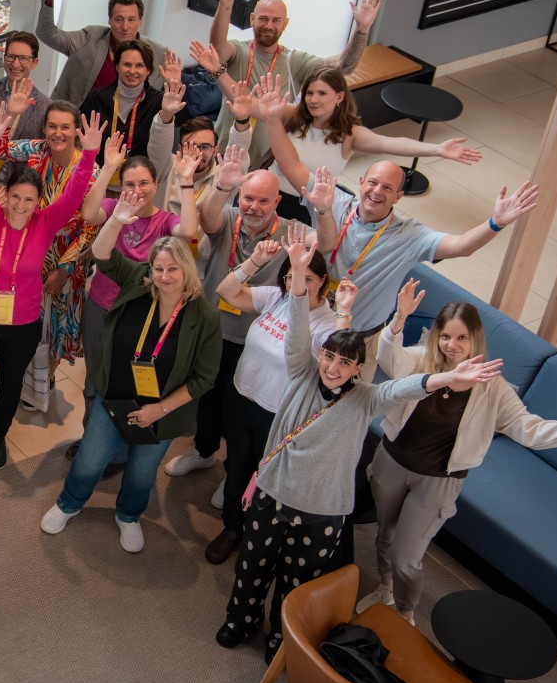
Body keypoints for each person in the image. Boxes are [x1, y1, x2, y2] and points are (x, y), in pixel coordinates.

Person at [215, 235, 503, 653]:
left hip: (323, 511)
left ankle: (280, 636)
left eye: (344, 362)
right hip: (273, 496)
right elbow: (298, 329)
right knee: (253, 567)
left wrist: (446, 379)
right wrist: (297, 276)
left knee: (299, 582)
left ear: (357, 370)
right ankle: (238, 621)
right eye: (329, 357)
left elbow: (406, 388)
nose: (332, 367)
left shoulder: (366, 398)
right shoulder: (301, 372)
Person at [364, 280, 557, 622]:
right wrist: (399, 319)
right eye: (445, 336)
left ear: (476, 339)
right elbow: (390, 360)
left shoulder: (494, 390)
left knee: (406, 556)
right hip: (392, 461)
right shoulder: (419, 360)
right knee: (385, 534)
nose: (452, 345)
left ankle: (405, 612)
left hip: (439, 482)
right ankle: (384, 587)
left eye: (461, 337)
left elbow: (528, 428)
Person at [39, 211, 221, 553]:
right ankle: (69, 503)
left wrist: (158, 410)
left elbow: (204, 378)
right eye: (158, 268)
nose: (165, 276)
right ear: (149, 269)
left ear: (187, 269)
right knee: (90, 460)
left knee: (141, 472)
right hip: (115, 398)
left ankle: (128, 515)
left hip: (162, 412)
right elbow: (104, 255)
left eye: (173, 269)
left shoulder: (204, 316)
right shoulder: (139, 283)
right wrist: (117, 220)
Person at [0, 104, 98, 468]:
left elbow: (74, 194)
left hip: (21, 322)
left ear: (39, 204)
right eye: (15, 196)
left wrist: (91, 154)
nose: (20, 205)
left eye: (29, 199)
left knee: (9, 385)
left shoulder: (46, 224)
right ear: (5, 197)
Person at [203, 234, 340, 565]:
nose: (298, 284)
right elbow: (226, 291)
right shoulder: (275, 297)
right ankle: (233, 529)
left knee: (264, 477)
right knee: (236, 465)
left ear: (323, 282)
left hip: (278, 413)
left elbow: (326, 373)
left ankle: (256, 534)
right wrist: (257, 262)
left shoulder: (327, 324)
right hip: (241, 396)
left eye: (307, 278)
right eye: (292, 276)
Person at [163, 159, 292, 493]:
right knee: (207, 397)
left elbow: (328, 243)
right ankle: (204, 451)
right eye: (248, 197)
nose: (254, 206)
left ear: (277, 202)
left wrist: (322, 211)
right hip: (212, 330)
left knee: (238, 411)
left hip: (255, 342)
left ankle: (233, 473)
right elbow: (205, 216)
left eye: (264, 200)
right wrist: (223, 186)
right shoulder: (230, 219)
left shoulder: (292, 233)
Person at [305, 158, 538, 332]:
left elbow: (461, 246)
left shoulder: (410, 236)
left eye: (387, 188)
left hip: (358, 335)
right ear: (361, 182)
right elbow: (291, 169)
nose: (377, 191)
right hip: (312, 315)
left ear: (398, 196)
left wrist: (495, 223)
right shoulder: (336, 202)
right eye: (373, 183)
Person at [78, 125, 202, 424]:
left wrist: (186, 181)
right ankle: (89, 435)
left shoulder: (164, 221)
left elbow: (188, 231)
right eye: (129, 184)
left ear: (156, 183)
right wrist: (108, 168)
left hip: (140, 313)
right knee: (95, 375)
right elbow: (88, 214)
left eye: (144, 183)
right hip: (101, 306)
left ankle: (121, 439)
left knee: (126, 378)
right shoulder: (113, 208)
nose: (136, 191)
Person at [227, 67, 483, 210]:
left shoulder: (350, 135)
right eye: (310, 93)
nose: (314, 100)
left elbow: (391, 144)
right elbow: (246, 104)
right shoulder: (292, 114)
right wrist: (218, 72)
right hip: (266, 195)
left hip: (305, 207)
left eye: (322, 93)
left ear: (339, 97)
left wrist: (437, 149)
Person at [203, 0, 377, 163]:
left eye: (276, 21)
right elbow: (217, 49)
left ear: (285, 24)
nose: (269, 25)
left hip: (268, 160)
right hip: (225, 153)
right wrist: (225, 5)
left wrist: (361, 31)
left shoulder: (294, 61)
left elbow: (343, 67)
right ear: (252, 19)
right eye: (263, 19)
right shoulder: (238, 51)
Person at [3, 101, 96, 415]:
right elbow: (0, 146)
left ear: (76, 131)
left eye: (65, 127)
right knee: (27, 318)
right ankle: (22, 375)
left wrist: (64, 269)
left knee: (57, 322)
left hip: (67, 256)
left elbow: (89, 227)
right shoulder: (35, 150)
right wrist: (12, 113)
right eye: (52, 126)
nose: (58, 133)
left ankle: (47, 377)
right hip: (28, 250)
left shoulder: (89, 169)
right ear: (44, 128)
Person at [35, 0, 153, 105]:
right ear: (109, 20)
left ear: (140, 21)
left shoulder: (156, 53)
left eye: (131, 20)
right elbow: (46, 33)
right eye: (119, 19)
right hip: (71, 117)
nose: (125, 27)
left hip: (124, 122)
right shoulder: (91, 38)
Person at [77, 40, 164, 161]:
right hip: (98, 173)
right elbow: (80, 138)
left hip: (139, 175)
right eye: (127, 64)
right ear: (117, 66)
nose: (132, 71)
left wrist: (175, 86)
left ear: (148, 70)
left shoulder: (158, 101)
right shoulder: (96, 97)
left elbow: (180, 121)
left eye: (139, 65)